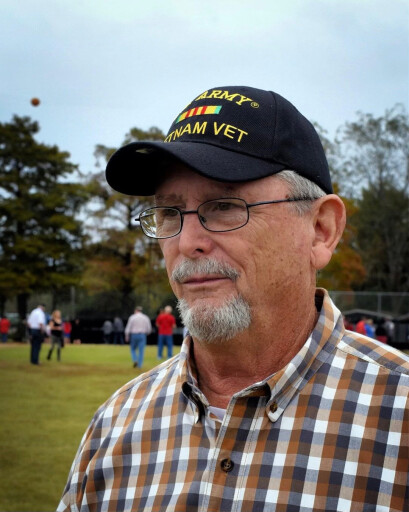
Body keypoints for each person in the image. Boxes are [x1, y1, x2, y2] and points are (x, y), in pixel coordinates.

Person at [57, 86, 409, 511]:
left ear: (321, 230)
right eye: (169, 213)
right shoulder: (115, 426)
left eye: (224, 206)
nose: (187, 242)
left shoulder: (399, 413)